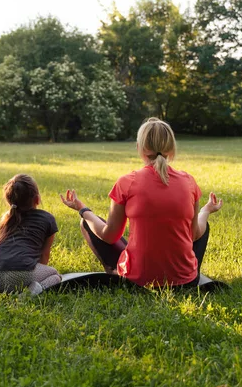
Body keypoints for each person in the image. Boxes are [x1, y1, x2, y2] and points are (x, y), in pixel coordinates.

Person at [61, 118, 223, 288]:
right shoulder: (189, 182)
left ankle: (118, 274)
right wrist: (206, 211)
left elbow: (109, 236)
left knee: (88, 223)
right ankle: (184, 272)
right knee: (201, 225)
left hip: (137, 282)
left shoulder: (126, 182)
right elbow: (195, 234)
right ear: (172, 149)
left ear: (139, 148)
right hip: (186, 283)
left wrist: (82, 209)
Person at [0, 174, 61, 297]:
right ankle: (33, 289)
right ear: (36, 199)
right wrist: (35, 274)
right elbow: (44, 256)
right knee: (55, 275)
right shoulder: (47, 219)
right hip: (21, 277)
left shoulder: (5, 219)